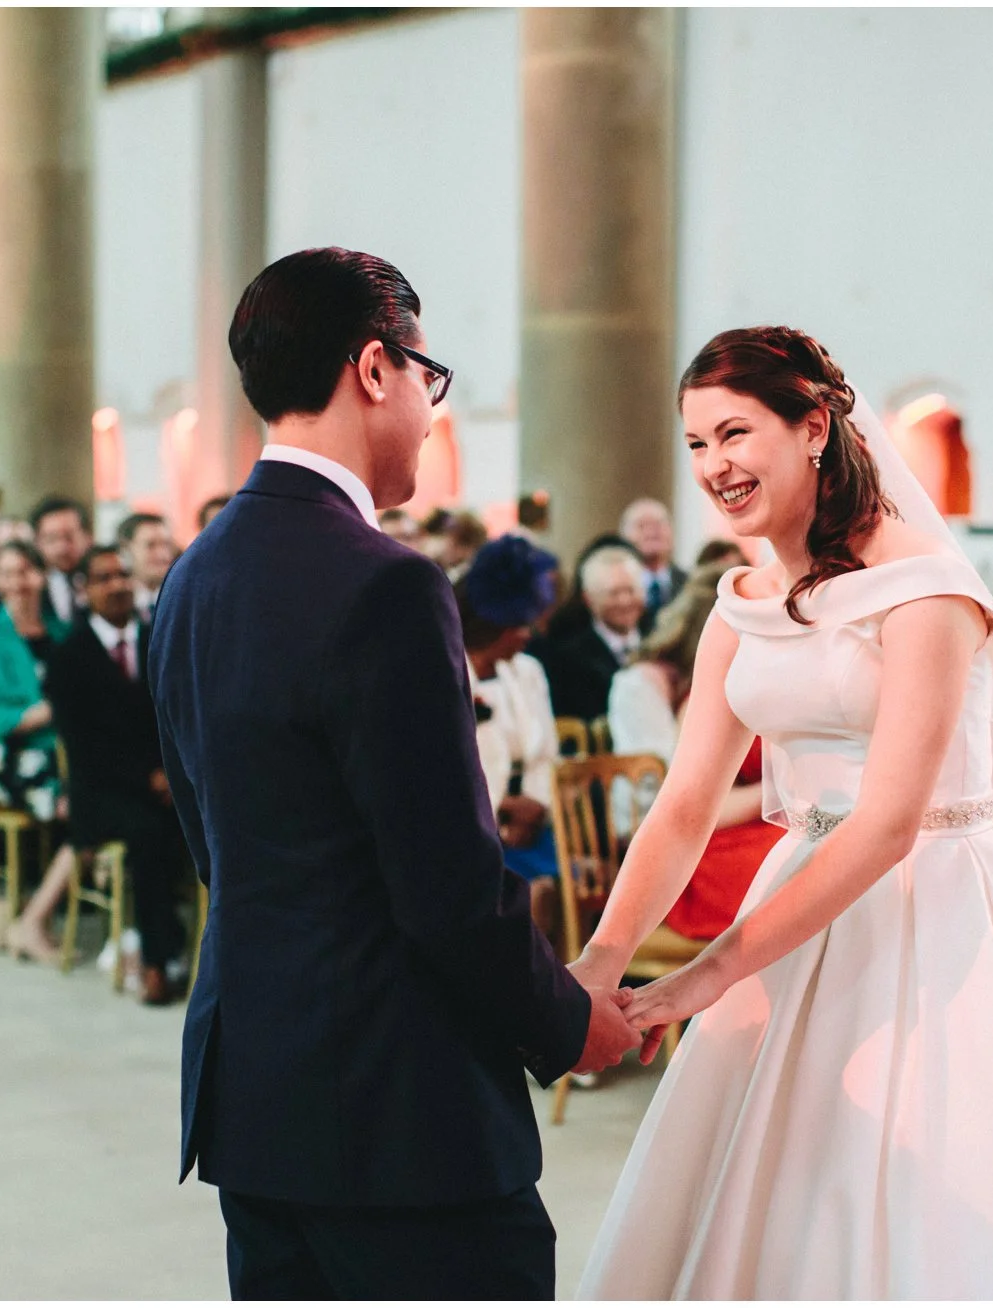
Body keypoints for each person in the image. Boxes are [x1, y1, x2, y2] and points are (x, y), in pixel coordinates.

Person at [571, 326, 993, 1299]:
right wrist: (602, 960)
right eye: (697, 442)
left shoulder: (926, 588)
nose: (714, 465)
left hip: (932, 909)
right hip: (796, 892)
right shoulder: (740, 597)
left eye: (736, 433)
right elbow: (685, 802)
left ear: (816, 426)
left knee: (934, 1186)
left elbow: (884, 824)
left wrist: (704, 975)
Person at [147, 247, 639, 1299]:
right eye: (429, 377)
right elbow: (446, 888)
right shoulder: (388, 585)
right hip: (398, 1121)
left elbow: (215, 845)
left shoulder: (195, 574)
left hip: (259, 1101)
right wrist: (567, 1019)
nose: (429, 409)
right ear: (376, 368)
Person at [45, 545, 192, 1003]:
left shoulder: (157, 637)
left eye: (123, 575)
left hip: (163, 781)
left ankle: (196, 943)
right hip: (101, 791)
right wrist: (148, 778)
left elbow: (181, 716)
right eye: (104, 578)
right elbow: (83, 746)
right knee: (148, 832)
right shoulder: (69, 656)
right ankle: (156, 958)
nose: (117, 585)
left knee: (206, 821)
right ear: (86, 590)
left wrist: (173, 774)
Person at [606, 562, 774, 940]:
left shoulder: (773, 691)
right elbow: (701, 810)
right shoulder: (698, 703)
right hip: (714, 847)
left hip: (763, 827)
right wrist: (781, 790)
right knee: (790, 865)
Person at [453, 535, 563, 931]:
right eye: (520, 624)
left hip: (532, 827)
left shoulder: (528, 672)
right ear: (492, 623)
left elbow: (546, 753)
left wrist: (534, 804)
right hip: (469, 831)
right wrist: (499, 811)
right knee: (524, 896)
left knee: (551, 887)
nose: (528, 633)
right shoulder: (444, 674)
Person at [0, 541, 69, 825]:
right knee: (82, 806)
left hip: (65, 749)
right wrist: (49, 712)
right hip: (11, 754)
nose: (17, 583)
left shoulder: (61, 631)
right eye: (6, 574)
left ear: (41, 575)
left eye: (24, 572)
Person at [536, 545, 647, 723]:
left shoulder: (662, 644)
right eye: (614, 593)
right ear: (589, 599)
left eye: (631, 590)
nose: (625, 601)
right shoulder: (568, 661)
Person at [621, 498, 687, 631]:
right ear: (624, 536)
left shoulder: (690, 584)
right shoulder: (617, 588)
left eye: (658, 525)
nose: (651, 533)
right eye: (641, 526)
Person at [30, 496, 92, 626]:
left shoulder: (104, 582)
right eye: (52, 539)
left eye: (69, 537)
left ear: (87, 537)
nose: (62, 548)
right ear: (37, 543)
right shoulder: (31, 588)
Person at [115, 511, 179, 623]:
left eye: (166, 544)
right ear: (126, 550)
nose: (162, 555)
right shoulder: (115, 603)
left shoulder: (181, 601)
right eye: (150, 545)